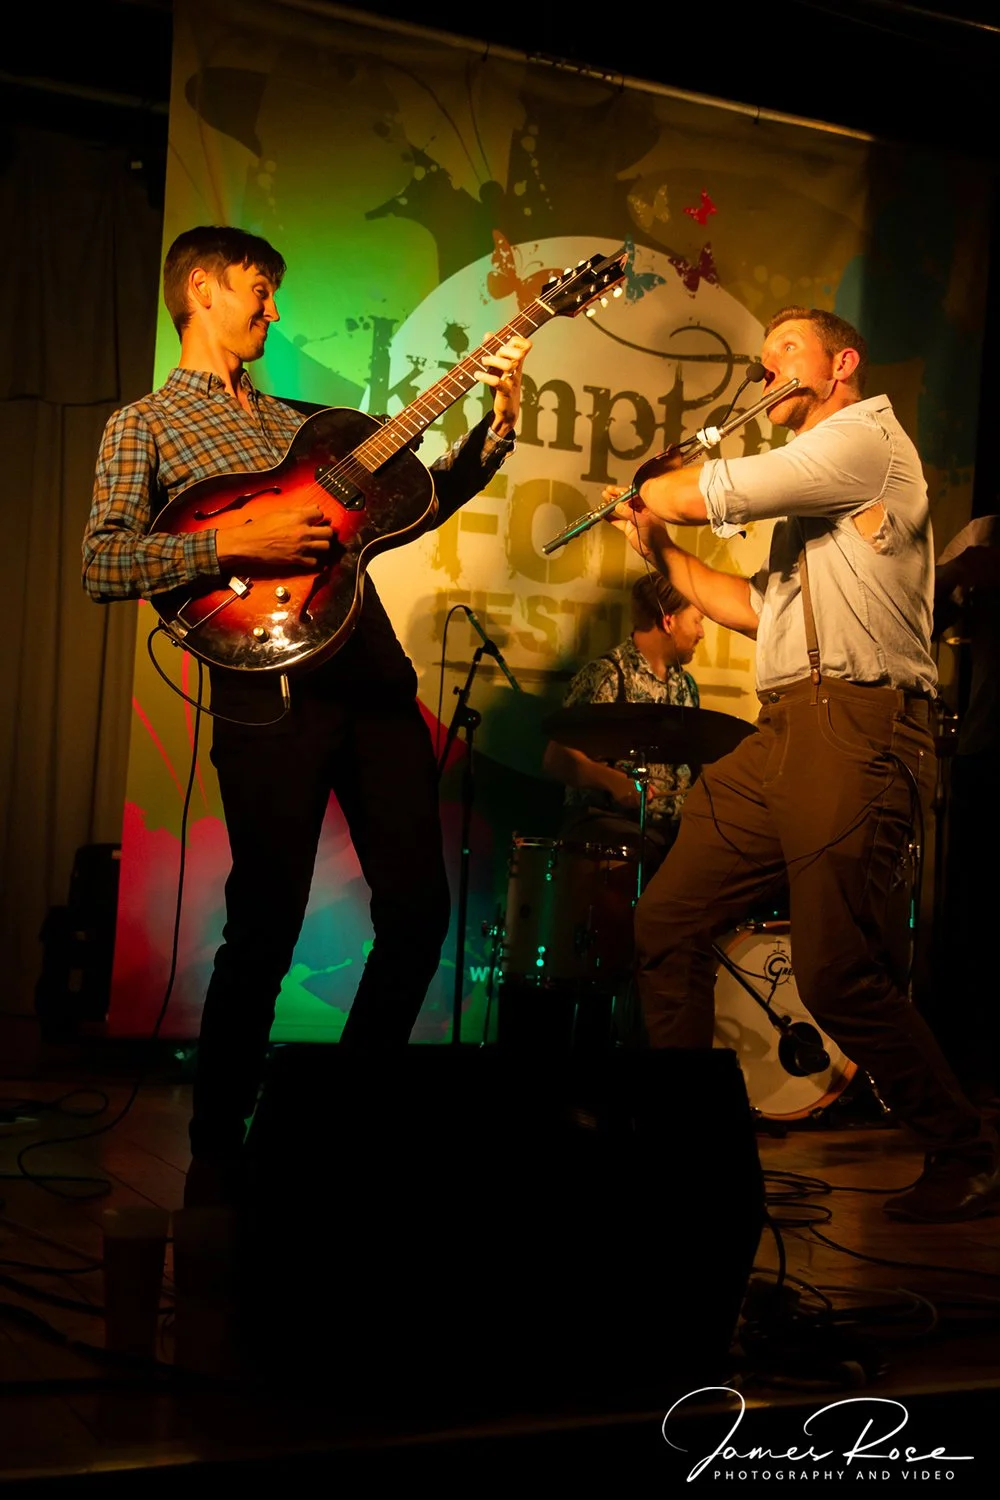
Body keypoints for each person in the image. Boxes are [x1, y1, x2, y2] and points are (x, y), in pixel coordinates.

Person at [82, 225, 532, 1204]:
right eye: (259, 290)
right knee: (266, 927)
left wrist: (493, 423)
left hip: (372, 685)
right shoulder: (144, 426)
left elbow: (421, 502)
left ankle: (339, 1116)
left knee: (419, 915)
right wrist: (235, 537)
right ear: (202, 289)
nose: (273, 311)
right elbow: (105, 562)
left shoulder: (306, 423)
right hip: (266, 701)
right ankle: (215, 1150)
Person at [602, 304, 1000, 1223]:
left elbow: (712, 489)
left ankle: (966, 1148)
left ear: (842, 362)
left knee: (835, 974)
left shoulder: (863, 442)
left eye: (788, 348)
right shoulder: (816, 500)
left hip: (858, 726)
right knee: (666, 921)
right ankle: (690, 1151)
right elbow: (752, 610)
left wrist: (662, 491)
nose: (769, 363)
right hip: (781, 728)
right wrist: (658, 547)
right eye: (765, 351)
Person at [542, 572, 704, 870]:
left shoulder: (686, 686)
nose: (701, 632)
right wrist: (613, 781)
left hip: (671, 832)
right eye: (696, 620)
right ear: (668, 621)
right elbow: (556, 758)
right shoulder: (607, 674)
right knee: (641, 856)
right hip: (606, 825)